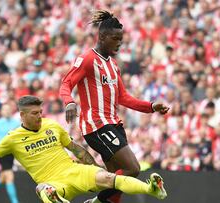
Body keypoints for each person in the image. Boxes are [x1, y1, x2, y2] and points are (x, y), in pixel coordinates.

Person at [0, 95, 167, 203]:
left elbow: (78, 151)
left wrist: (95, 170)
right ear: (22, 115)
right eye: (34, 113)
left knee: (111, 179)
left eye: (40, 112)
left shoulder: (52, 125)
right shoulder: (12, 138)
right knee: (43, 189)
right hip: (55, 183)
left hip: (74, 172)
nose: (40, 116)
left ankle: (151, 189)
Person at [59, 10, 170, 203]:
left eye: (121, 38)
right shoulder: (87, 59)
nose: (119, 42)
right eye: (115, 38)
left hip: (113, 125)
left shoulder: (113, 64)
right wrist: (69, 102)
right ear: (102, 37)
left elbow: (124, 97)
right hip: (97, 125)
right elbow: (65, 84)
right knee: (133, 168)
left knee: (116, 185)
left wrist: (151, 106)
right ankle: (94, 201)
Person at [0, 104, 21, 203]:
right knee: (9, 175)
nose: (6, 111)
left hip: (13, 150)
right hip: (2, 150)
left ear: (11, 110)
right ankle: (15, 201)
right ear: (1, 111)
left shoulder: (16, 123)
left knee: (3, 177)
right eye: (4, 109)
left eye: (8, 109)